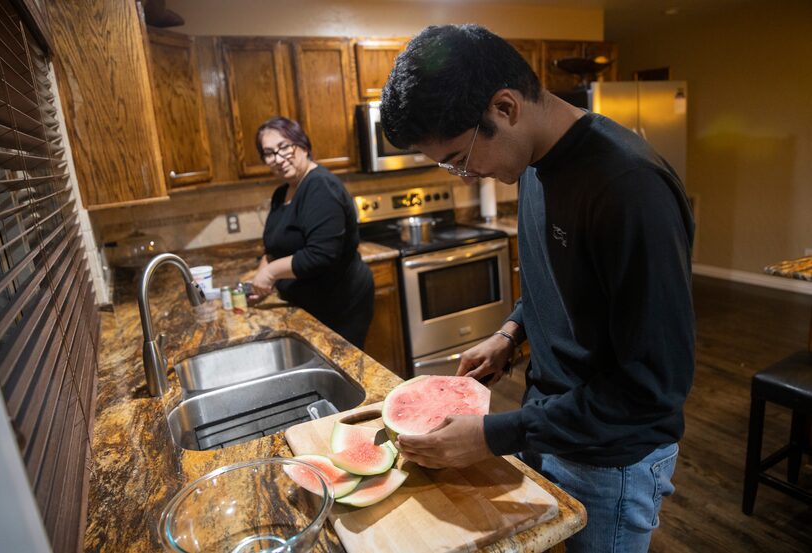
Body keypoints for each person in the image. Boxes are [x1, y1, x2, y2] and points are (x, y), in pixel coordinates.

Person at [379, 25, 695, 553]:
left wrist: (490, 435)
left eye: (458, 157)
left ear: (505, 108)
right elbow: (564, 280)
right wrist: (511, 332)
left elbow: (652, 387)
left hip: (611, 460)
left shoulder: (629, 190)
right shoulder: (531, 163)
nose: (462, 175)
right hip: (549, 427)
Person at [251, 116, 374, 348]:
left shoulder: (320, 186)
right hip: (307, 303)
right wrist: (261, 278)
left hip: (338, 304)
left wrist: (270, 274)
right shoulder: (282, 192)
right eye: (269, 153)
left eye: (284, 147)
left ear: (303, 146)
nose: (278, 158)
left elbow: (321, 255)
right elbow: (274, 247)